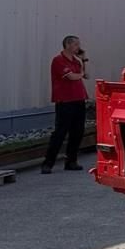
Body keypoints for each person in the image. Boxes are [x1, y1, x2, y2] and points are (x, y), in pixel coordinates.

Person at [43, 36, 90, 174]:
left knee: (78, 132)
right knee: (60, 132)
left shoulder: (76, 61)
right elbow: (71, 77)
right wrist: (81, 74)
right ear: (68, 45)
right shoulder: (58, 60)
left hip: (79, 98)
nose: (78, 47)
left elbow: (85, 75)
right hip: (65, 100)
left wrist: (84, 60)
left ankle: (71, 161)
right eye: (76, 44)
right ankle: (48, 163)